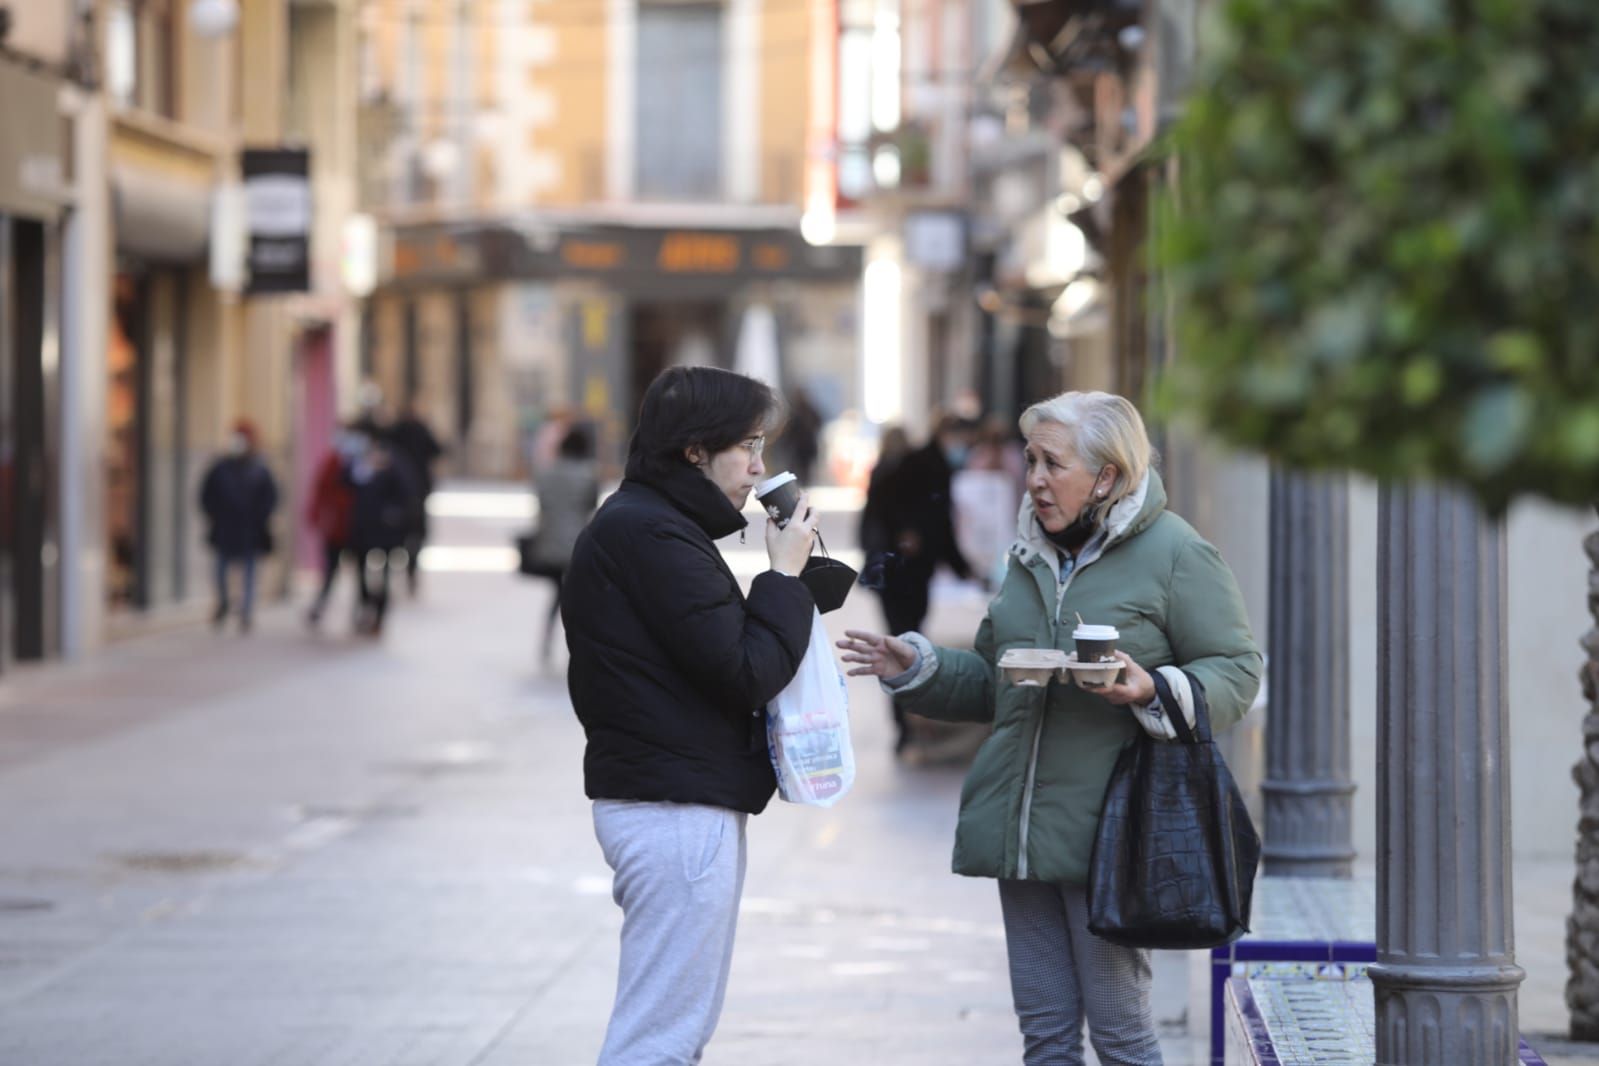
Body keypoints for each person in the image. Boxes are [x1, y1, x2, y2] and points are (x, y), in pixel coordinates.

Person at [837, 391, 1262, 1065]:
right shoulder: (1027, 556)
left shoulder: (1176, 552)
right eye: (1030, 459)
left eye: (1050, 463)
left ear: (1106, 476)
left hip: (1113, 835)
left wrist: (1153, 688)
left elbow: (1238, 672)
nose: (1032, 478)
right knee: (1046, 1038)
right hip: (1023, 831)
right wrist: (913, 664)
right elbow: (995, 681)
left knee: (1121, 1036)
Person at [562, 365, 819, 1065]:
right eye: (749, 448)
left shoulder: (650, 525)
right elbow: (744, 672)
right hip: (671, 808)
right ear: (694, 451)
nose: (761, 469)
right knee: (660, 1039)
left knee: (672, 1029)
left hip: (673, 795)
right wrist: (784, 579)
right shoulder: (651, 534)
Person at [870, 414, 978, 753]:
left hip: (905, 574)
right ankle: (906, 723)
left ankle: (908, 722)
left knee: (905, 642)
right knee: (905, 644)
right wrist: (961, 566)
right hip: (903, 574)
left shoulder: (926, 465)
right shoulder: (923, 466)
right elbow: (935, 524)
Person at [199, 419, 279, 634]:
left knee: (250, 572)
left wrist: (259, 517)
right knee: (221, 570)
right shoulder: (220, 467)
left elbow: (271, 498)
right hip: (225, 528)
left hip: (250, 530)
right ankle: (224, 603)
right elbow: (206, 495)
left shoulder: (260, 469)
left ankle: (246, 611)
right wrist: (215, 515)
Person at [529, 423, 600, 665]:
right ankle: (577, 645)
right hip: (576, 546)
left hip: (548, 545)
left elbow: (540, 504)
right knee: (575, 596)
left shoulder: (545, 473)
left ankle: (548, 641)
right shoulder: (588, 474)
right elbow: (591, 505)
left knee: (558, 595)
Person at [348, 437, 415, 636]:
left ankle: (379, 616)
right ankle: (365, 609)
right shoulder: (363, 472)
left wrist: (391, 519)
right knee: (362, 576)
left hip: (386, 536)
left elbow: (405, 503)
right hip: (363, 533)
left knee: (383, 578)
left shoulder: (396, 474)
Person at [305, 428, 363, 628]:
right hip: (335, 529)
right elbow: (320, 490)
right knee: (330, 572)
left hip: (357, 530)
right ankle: (320, 606)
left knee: (360, 574)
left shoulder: (363, 465)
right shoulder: (332, 463)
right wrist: (315, 516)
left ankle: (360, 612)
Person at [388, 399, 444, 595]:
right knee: (416, 534)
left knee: (404, 533)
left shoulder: (395, 432)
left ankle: (406, 567)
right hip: (416, 491)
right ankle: (411, 568)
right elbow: (438, 450)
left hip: (400, 493)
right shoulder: (419, 430)